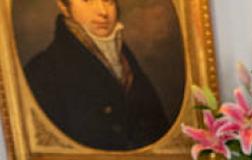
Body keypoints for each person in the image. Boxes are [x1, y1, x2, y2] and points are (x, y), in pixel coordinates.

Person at [22, 0, 171, 151]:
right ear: (63, 6)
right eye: (88, 1)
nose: (103, 12)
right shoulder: (43, 70)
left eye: (109, 1)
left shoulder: (126, 61)